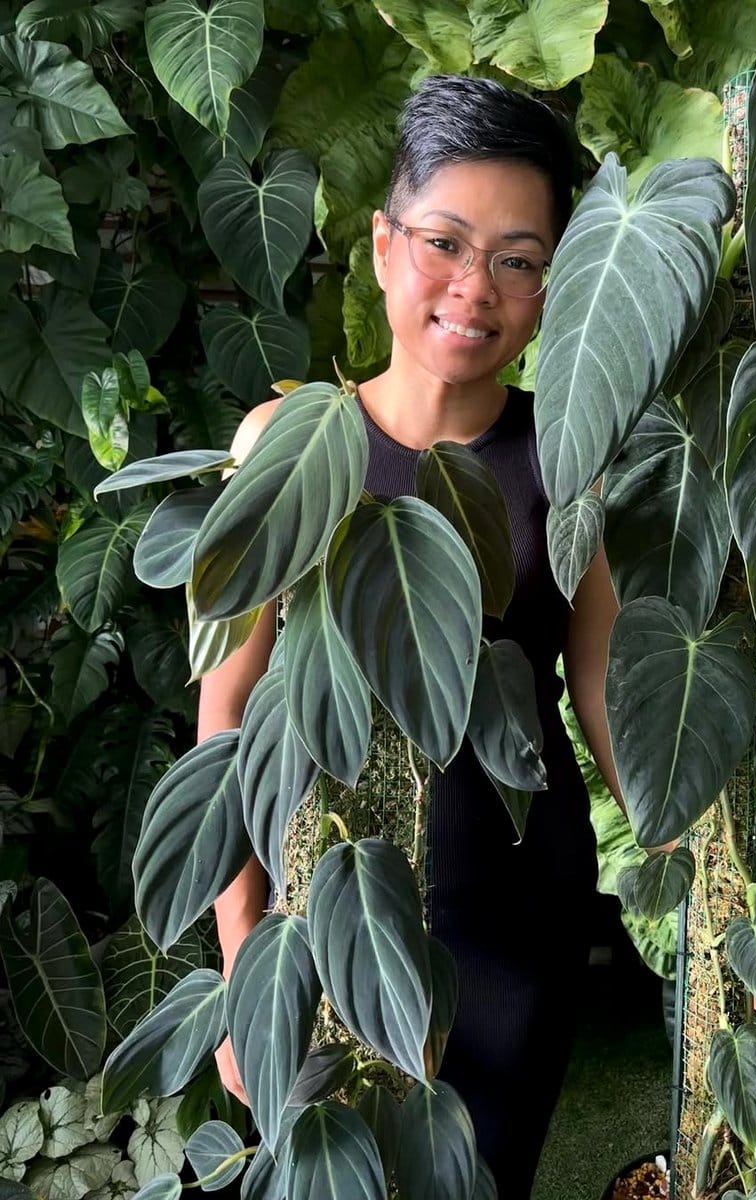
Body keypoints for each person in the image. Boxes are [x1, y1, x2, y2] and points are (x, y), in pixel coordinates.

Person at [204, 75, 624, 1199]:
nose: (474, 289)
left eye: (518, 259)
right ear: (386, 246)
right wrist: (250, 965)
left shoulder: (567, 459)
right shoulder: (290, 442)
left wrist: (723, 881)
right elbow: (228, 711)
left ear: (551, 284)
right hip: (331, 921)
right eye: (445, 241)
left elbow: (605, 697)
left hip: (517, 921)